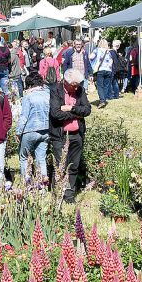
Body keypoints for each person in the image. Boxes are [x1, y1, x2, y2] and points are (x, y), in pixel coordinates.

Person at [49, 69, 91, 203]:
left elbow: (87, 109)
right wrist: (77, 114)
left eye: (78, 84)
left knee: (73, 166)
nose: (77, 87)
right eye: (74, 85)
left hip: (76, 135)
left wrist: (70, 108)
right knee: (61, 165)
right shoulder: (56, 90)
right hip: (60, 135)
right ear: (66, 82)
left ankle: (69, 195)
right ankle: (58, 193)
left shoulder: (80, 90)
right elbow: (55, 113)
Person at [17, 73, 51, 181]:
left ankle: (26, 182)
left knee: (24, 157)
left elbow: (24, 117)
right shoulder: (48, 94)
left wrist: (18, 132)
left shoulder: (28, 97)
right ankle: (43, 182)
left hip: (30, 130)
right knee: (41, 157)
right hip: (46, 130)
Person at [91, 39, 117, 107]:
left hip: (100, 70)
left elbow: (91, 57)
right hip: (109, 70)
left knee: (100, 86)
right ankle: (104, 100)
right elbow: (112, 61)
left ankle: (102, 100)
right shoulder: (109, 52)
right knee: (106, 86)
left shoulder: (97, 50)